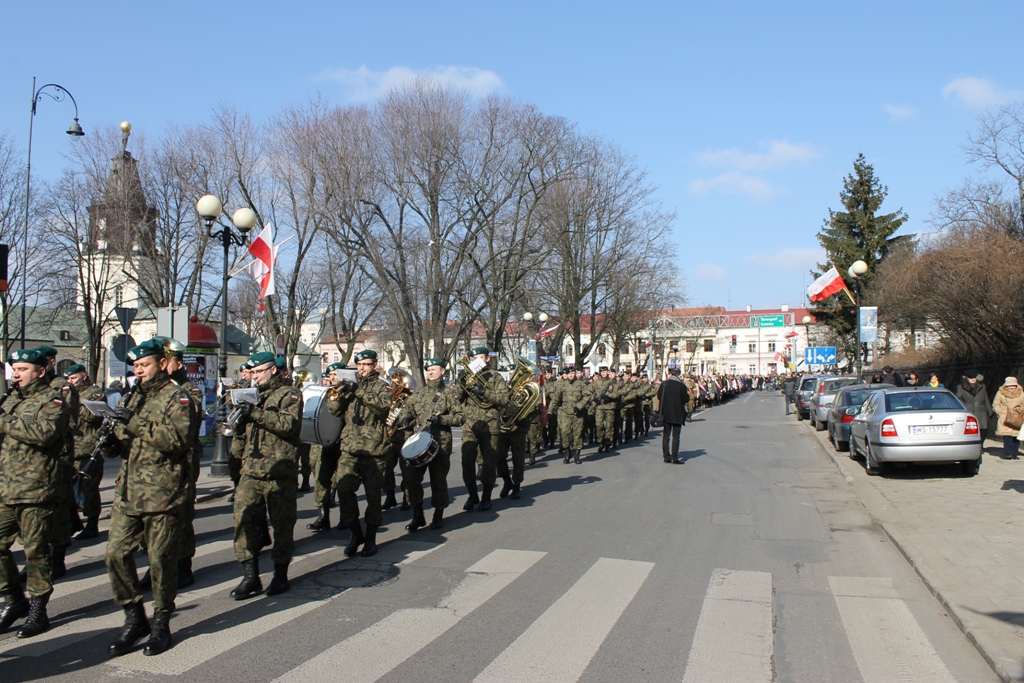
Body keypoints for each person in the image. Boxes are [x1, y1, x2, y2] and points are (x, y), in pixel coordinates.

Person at [105, 338, 195, 657]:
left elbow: (177, 439)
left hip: (162, 493)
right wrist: (109, 439)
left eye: (143, 365)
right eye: (135, 367)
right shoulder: (133, 397)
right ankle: (134, 616)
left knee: (160, 560)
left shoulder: (178, 397)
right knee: (115, 554)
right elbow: (124, 440)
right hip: (129, 492)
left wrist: (131, 421)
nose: (138, 371)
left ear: (160, 362)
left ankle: (161, 621)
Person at [0, 348, 70, 638]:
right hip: (7, 487)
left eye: (23, 369)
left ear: (40, 372)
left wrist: (4, 421)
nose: (16, 374)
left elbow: (44, 434)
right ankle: (15, 599)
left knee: (35, 551)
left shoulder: (52, 400)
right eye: (15, 369)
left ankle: (38, 609)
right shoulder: (12, 399)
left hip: (37, 489)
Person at [227, 351, 303, 601]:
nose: (255, 376)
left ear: (273, 370)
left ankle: (280, 575)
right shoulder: (251, 395)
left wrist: (255, 412)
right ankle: (250, 576)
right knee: (243, 522)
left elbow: (288, 425)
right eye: (253, 372)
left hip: (279, 471)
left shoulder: (289, 394)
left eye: (259, 371)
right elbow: (242, 432)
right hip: (251, 471)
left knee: (282, 526)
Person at [328, 350, 391, 556]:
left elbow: (384, 408)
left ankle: (371, 538)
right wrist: (341, 391)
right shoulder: (348, 385)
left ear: (375, 365)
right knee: (343, 489)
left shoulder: (382, 386)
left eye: (366, 364)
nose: (361, 368)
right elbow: (334, 409)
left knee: (373, 497)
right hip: (350, 449)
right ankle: (356, 533)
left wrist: (359, 391)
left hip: (374, 450)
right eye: (359, 364)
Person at [158, 338, 205, 590]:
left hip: (184, 460)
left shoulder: (190, 390)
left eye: (170, 361)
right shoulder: (154, 390)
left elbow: (191, 416)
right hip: (156, 464)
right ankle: (158, 566)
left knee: (182, 513)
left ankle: (184, 566)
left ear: (176, 363)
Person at [398, 358, 461, 529]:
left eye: (433, 369)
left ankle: (438, 514)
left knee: (438, 481)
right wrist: (404, 419)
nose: (430, 373)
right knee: (411, 481)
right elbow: (407, 410)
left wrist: (442, 419)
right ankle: (418, 515)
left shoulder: (448, 394)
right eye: (428, 370)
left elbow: (460, 417)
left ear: (442, 371)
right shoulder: (418, 393)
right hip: (419, 444)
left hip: (440, 445)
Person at [456, 347, 509, 511]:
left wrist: (484, 392)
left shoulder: (495, 377)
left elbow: (504, 399)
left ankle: (486, 496)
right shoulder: (466, 375)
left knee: (488, 462)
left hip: (490, 424)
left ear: (487, 359)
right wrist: (461, 383)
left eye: (480, 358)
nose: (476, 361)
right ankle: (472, 495)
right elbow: (458, 399)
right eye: (474, 358)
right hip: (470, 424)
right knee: (467, 461)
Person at [64, 364, 107, 541]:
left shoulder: (94, 393)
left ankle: (92, 524)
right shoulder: (67, 394)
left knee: (89, 489)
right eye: (68, 379)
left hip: (89, 449)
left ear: (84, 375)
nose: (70, 381)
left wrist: (74, 403)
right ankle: (73, 522)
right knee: (65, 489)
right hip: (69, 449)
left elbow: (93, 416)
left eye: (73, 378)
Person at [307, 363, 345, 533]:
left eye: (335, 374)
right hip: (322, 443)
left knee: (343, 481)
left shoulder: (348, 394)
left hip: (342, 444)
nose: (332, 378)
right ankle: (323, 516)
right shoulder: (323, 392)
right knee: (321, 479)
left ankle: (345, 517)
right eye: (330, 375)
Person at [656, 368, 689, 464]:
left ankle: (666, 456)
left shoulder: (664, 384)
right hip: (677, 414)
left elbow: (658, 396)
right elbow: (686, 399)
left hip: (665, 414)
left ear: (671, 374)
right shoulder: (681, 386)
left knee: (666, 436)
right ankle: (674, 457)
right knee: (676, 436)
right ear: (679, 375)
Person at [992, 376, 1024, 460]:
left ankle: (1014, 453)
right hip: (1005, 417)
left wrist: (1021, 412)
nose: (1011, 387)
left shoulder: (1021, 393)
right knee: (1007, 437)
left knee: (1016, 437)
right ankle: (1008, 453)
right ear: (1005, 386)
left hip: (1017, 417)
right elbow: (996, 404)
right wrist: (1000, 412)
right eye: (1009, 386)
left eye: (1013, 385)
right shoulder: (1000, 392)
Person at [955, 370, 990, 439]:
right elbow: (958, 399)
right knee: (971, 430)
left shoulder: (982, 386)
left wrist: (990, 412)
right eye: (971, 378)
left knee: (983, 430)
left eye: (974, 377)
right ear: (967, 378)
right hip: (969, 411)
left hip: (981, 411)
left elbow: (986, 399)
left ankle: (981, 444)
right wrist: (965, 407)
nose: (973, 379)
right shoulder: (961, 387)